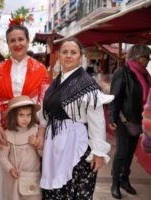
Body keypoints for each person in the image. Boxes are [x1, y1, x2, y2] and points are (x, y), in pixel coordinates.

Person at [40, 38, 112, 200]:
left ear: (80, 56)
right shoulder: (57, 82)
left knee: (75, 191)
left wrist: (98, 152)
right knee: (56, 192)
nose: (68, 56)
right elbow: (46, 112)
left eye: (73, 52)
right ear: (59, 56)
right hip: (54, 143)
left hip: (76, 144)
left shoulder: (87, 84)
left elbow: (97, 121)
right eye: (65, 52)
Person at [0, 24, 50, 200]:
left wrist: (41, 132)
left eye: (21, 39)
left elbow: (44, 103)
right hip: (3, 130)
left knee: (28, 172)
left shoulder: (40, 69)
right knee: (0, 172)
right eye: (12, 40)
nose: (17, 43)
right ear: (7, 44)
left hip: (29, 130)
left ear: (28, 42)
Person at [109, 45, 151, 199]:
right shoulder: (122, 72)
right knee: (121, 152)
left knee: (130, 153)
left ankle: (124, 180)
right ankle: (115, 182)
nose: (148, 60)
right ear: (137, 57)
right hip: (123, 119)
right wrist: (112, 117)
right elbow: (115, 96)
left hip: (138, 120)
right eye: (146, 57)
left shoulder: (146, 75)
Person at [0, 96, 42, 200]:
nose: (25, 119)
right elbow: (2, 156)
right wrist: (10, 168)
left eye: (28, 115)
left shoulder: (36, 131)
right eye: (21, 115)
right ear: (13, 116)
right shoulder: (7, 134)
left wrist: (36, 144)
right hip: (15, 178)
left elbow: (43, 154)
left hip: (32, 177)